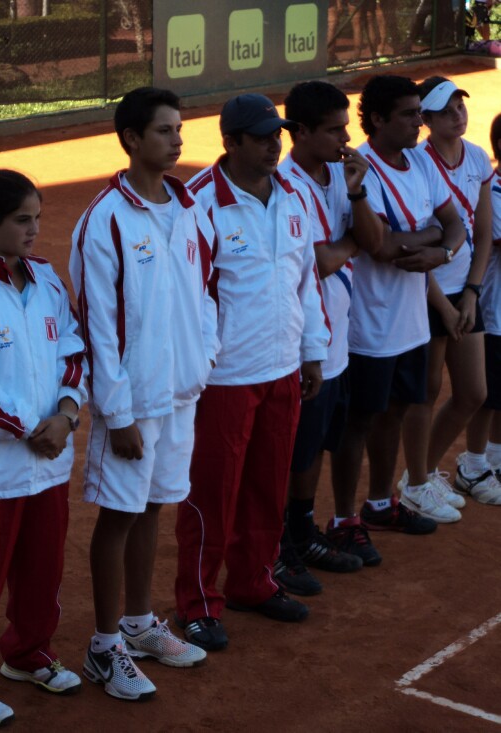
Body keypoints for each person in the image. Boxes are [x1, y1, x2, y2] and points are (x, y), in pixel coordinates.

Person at [70, 87, 218, 701]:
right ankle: (104, 649)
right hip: (133, 404)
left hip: (181, 392)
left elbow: (206, 293)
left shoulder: (188, 207)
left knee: (155, 505)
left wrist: (204, 361)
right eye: (164, 130)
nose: (177, 139)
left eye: (179, 129)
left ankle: (136, 624)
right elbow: (98, 326)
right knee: (120, 515)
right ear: (132, 139)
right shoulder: (102, 219)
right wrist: (118, 411)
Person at [174, 93, 330, 652]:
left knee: (267, 485)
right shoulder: (196, 205)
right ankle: (195, 603)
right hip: (223, 381)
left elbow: (306, 280)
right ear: (230, 142)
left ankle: (253, 583)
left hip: (283, 369)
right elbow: (187, 299)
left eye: (278, 134)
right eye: (261, 136)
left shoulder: (293, 198)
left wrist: (312, 351)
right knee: (212, 495)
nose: (274, 144)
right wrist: (202, 367)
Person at [0, 170, 86, 729]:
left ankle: (29, 654)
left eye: (38, 217)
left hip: (48, 463)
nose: (35, 230)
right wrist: (40, 428)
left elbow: (74, 350)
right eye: (23, 220)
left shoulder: (49, 280)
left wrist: (69, 412)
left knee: (43, 569)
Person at [329, 75, 466, 542]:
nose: (419, 123)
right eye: (409, 115)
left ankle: (381, 503)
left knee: (399, 409)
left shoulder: (420, 162)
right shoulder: (363, 168)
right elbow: (383, 247)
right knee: (360, 421)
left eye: (419, 113)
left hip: (410, 323)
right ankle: (345, 516)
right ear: (380, 120)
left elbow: (454, 225)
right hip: (367, 325)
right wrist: (431, 238)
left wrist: (440, 250)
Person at [274, 80, 386, 594]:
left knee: (316, 446)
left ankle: (302, 531)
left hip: (338, 339)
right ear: (299, 132)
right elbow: (318, 261)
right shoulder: (285, 184)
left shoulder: (345, 175)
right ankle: (282, 544)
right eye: (335, 129)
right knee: (292, 451)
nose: (347, 138)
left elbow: (374, 240)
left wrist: (358, 192)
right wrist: (349, 244)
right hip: (301, 341)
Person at [398, 76, 494, 518]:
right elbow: (416, 246)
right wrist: (445, 305)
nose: (458, 115)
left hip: (464, 293)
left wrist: (471, 293)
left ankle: (426, 473)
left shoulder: (476, 156)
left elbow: (482, 234)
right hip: (427, 293)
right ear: (427, 120)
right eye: (446, 110)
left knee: (473, 392)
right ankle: (416, 481)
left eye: (460, 105)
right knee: (427, 391)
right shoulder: (416, 162)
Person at [455, 112, 501, 502]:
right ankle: (471, 465)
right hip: (494, 313)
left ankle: (494, 457)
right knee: (487, 396)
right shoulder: (496, 192)